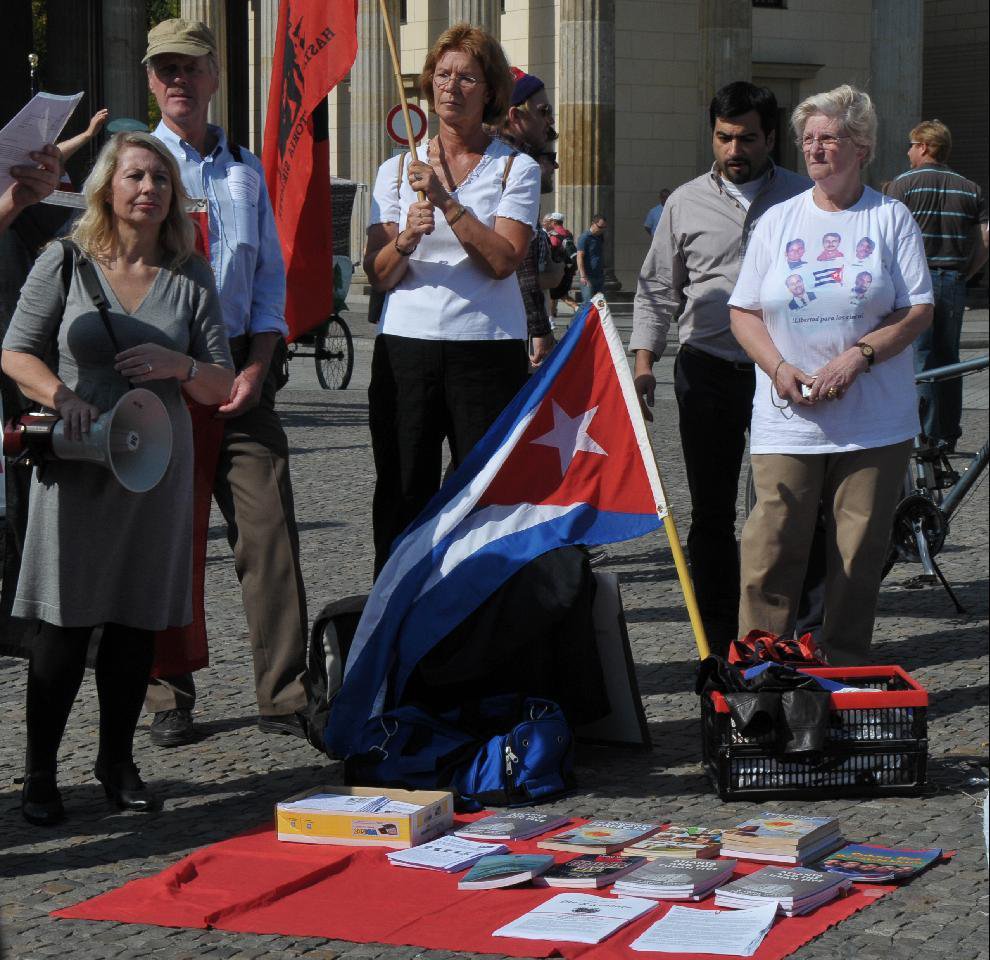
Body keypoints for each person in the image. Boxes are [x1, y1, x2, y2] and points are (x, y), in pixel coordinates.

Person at [1, 132, 234, 825]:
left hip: (153, 468)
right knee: (63, 627)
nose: (149, 189)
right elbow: (14, 352)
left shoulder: (191, 275)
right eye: (135, 176)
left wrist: (181, 367)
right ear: (108, 188)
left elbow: (219, 380)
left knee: (135, 625)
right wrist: (62, 397)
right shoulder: (64, 260)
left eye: (160, 180)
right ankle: (41, 773)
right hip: (75, 461)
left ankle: (117, 761)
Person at [142, 18, 309, 745]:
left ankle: (286, 691)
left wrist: (256, 365)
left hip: (242, 368)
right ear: (151, 81)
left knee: (269, 532)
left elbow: (269, 280)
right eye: (165, 69)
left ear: (214, 77)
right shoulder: (133, 166)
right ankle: (165, 695)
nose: (179, 80)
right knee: (165, 539)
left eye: (191, 68)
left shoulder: (244, 171)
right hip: (157, 373)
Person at [728, 85, 933, 666]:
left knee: (856, 555)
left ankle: (841, 669)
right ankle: (759, 674)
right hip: (789, 416)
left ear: (861, 146)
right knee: (771, 548)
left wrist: (859, 356)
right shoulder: (776, 221)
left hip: (872, 423)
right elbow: (743, 311)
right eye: (808, 138)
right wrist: (779, 367)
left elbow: (919, 307)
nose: (815, 148)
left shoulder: (890, 217)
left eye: (829, 137)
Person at [630, 81, 809, 654]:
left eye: (747, 139)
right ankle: (716, 637)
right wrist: (643, 364)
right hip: (707, 370)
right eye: (724, 137)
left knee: (782, 505)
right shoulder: (684, 202)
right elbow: (658, 287)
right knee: (711, 511)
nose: (734, 150)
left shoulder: (804, 199)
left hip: (781, 375)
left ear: (771, 137)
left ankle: (781, 630)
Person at [364, 23, 540, 577]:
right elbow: (380, 273)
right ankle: (392, 613)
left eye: (467, 77)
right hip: (406, 350)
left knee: (481, 492)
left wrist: (446, 202)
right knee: (402, 488)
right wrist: (406, 239)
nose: (451, 87)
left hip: (485, 351)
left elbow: (503, 260)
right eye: (442, 75)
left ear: (489, 91)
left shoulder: (516, 167)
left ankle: (477, 615)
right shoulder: (396, 170)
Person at [885, 119, 989, 449]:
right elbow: (987, 236)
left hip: (916, 283)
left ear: (925, 147)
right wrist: (969, 271)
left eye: (912, 144)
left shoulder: (901, 187)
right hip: (954, 281)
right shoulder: (969, 188)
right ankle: (948, 433)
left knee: (921, 357)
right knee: (950, 358)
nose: (908, 150)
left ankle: (925, 436)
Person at [491, 67, 558, 365]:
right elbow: (523, 260)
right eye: (543, 111)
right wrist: (540, 327)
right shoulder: (519, 166)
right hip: (500, 327)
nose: (550, 121)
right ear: (515, 117)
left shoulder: (487, 154)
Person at [545, 211, 578, 317]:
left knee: (558, 293)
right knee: (554, 293)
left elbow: (553, 246)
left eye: (550, 221)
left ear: (554, 221)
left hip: (558, 267)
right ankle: (553, 315)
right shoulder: (568, 233)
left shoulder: (554, 234)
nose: (549, 223)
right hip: (568, 267)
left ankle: (577, 309)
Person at [576, 213, 607, 301]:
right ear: (593, 224)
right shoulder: (585, 237)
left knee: (600, 303)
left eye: (604, 227)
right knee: (588, 302)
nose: (602, 230)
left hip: (599, 275)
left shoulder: (600, 237)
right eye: (600, 227)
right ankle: (579, 314)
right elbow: (579, 257)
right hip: (588, 276)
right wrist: (583, 276)